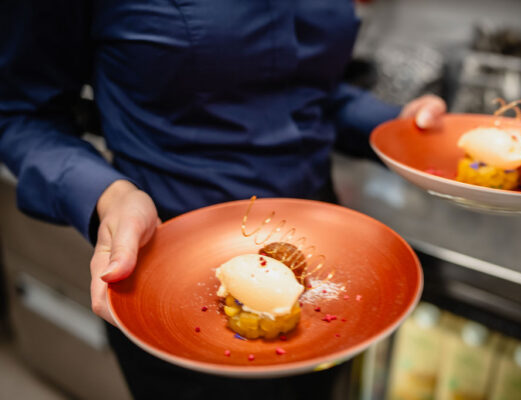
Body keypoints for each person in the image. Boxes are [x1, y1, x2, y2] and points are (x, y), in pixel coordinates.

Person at [0, 1, 446, 399]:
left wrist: (395, 127)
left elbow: (309, 92)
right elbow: (21, 114)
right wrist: (111, 194)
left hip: (324, 266)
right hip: (173, 271)